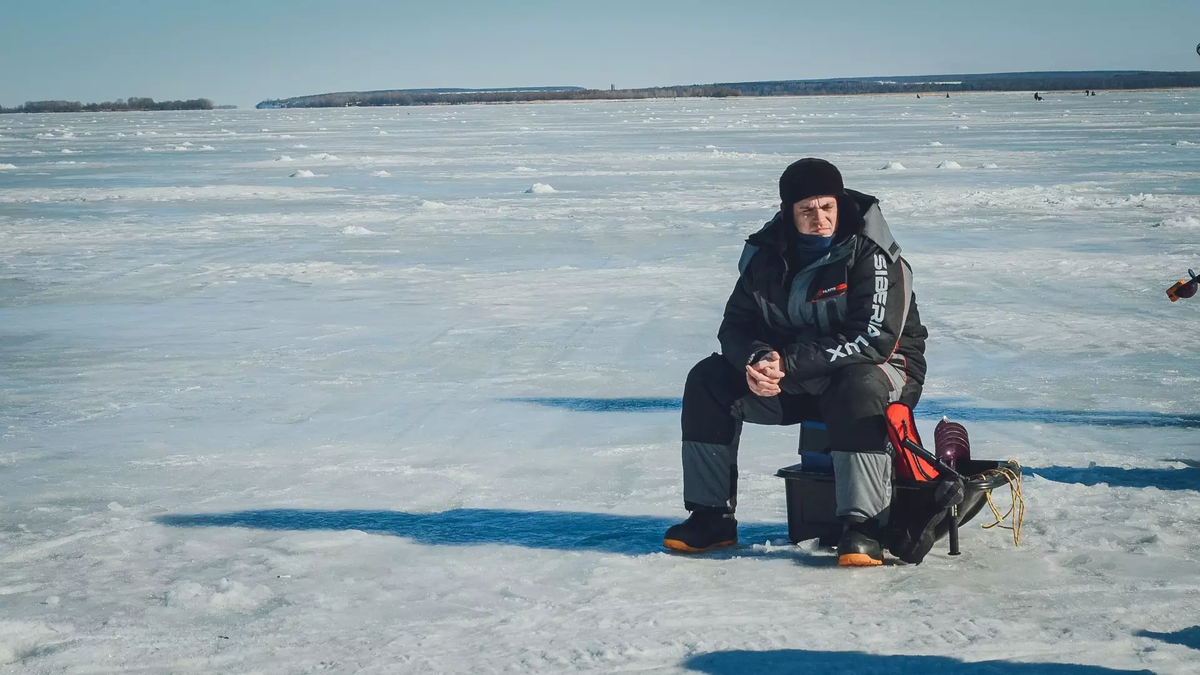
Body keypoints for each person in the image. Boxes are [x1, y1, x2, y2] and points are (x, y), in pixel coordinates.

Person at [663, 158, 929, 566]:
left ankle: (864, 527)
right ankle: (711, 518)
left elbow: (872, 338)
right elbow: (735, 325)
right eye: (807, 210)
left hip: (882, 371)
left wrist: (786, 363)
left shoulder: (873, 255)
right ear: (789, 212)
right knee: (708, 380)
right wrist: (758, 360)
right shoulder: (765, 255)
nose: (820, 219)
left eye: (827, 207)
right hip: (797, 376)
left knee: (856, 385)